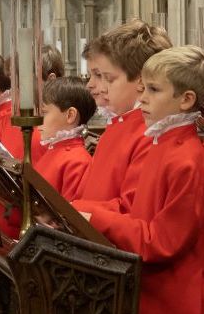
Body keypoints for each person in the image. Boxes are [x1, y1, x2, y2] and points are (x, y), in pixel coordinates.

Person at [78, 46, 204, 314]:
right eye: (142, 88)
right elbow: (137, 211)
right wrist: (88, 212)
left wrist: (96, 218)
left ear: (185, 99)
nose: (141, 98)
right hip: (155, 292)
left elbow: (161, 240)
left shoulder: (186, 159)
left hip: (179, 298)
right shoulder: (164, 144)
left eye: (153, 91)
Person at [73, 19, 172, 206]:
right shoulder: (117, 126)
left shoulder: (150, 134)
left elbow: (131, 207)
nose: (92, 85)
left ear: (142, 79)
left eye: (104, 77)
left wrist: (79, 211)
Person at [35, 76, 96, 201]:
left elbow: (68, 214)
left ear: (70, 115)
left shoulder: (78, 161)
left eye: (44, 112)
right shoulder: (53, 149)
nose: (37, 119)